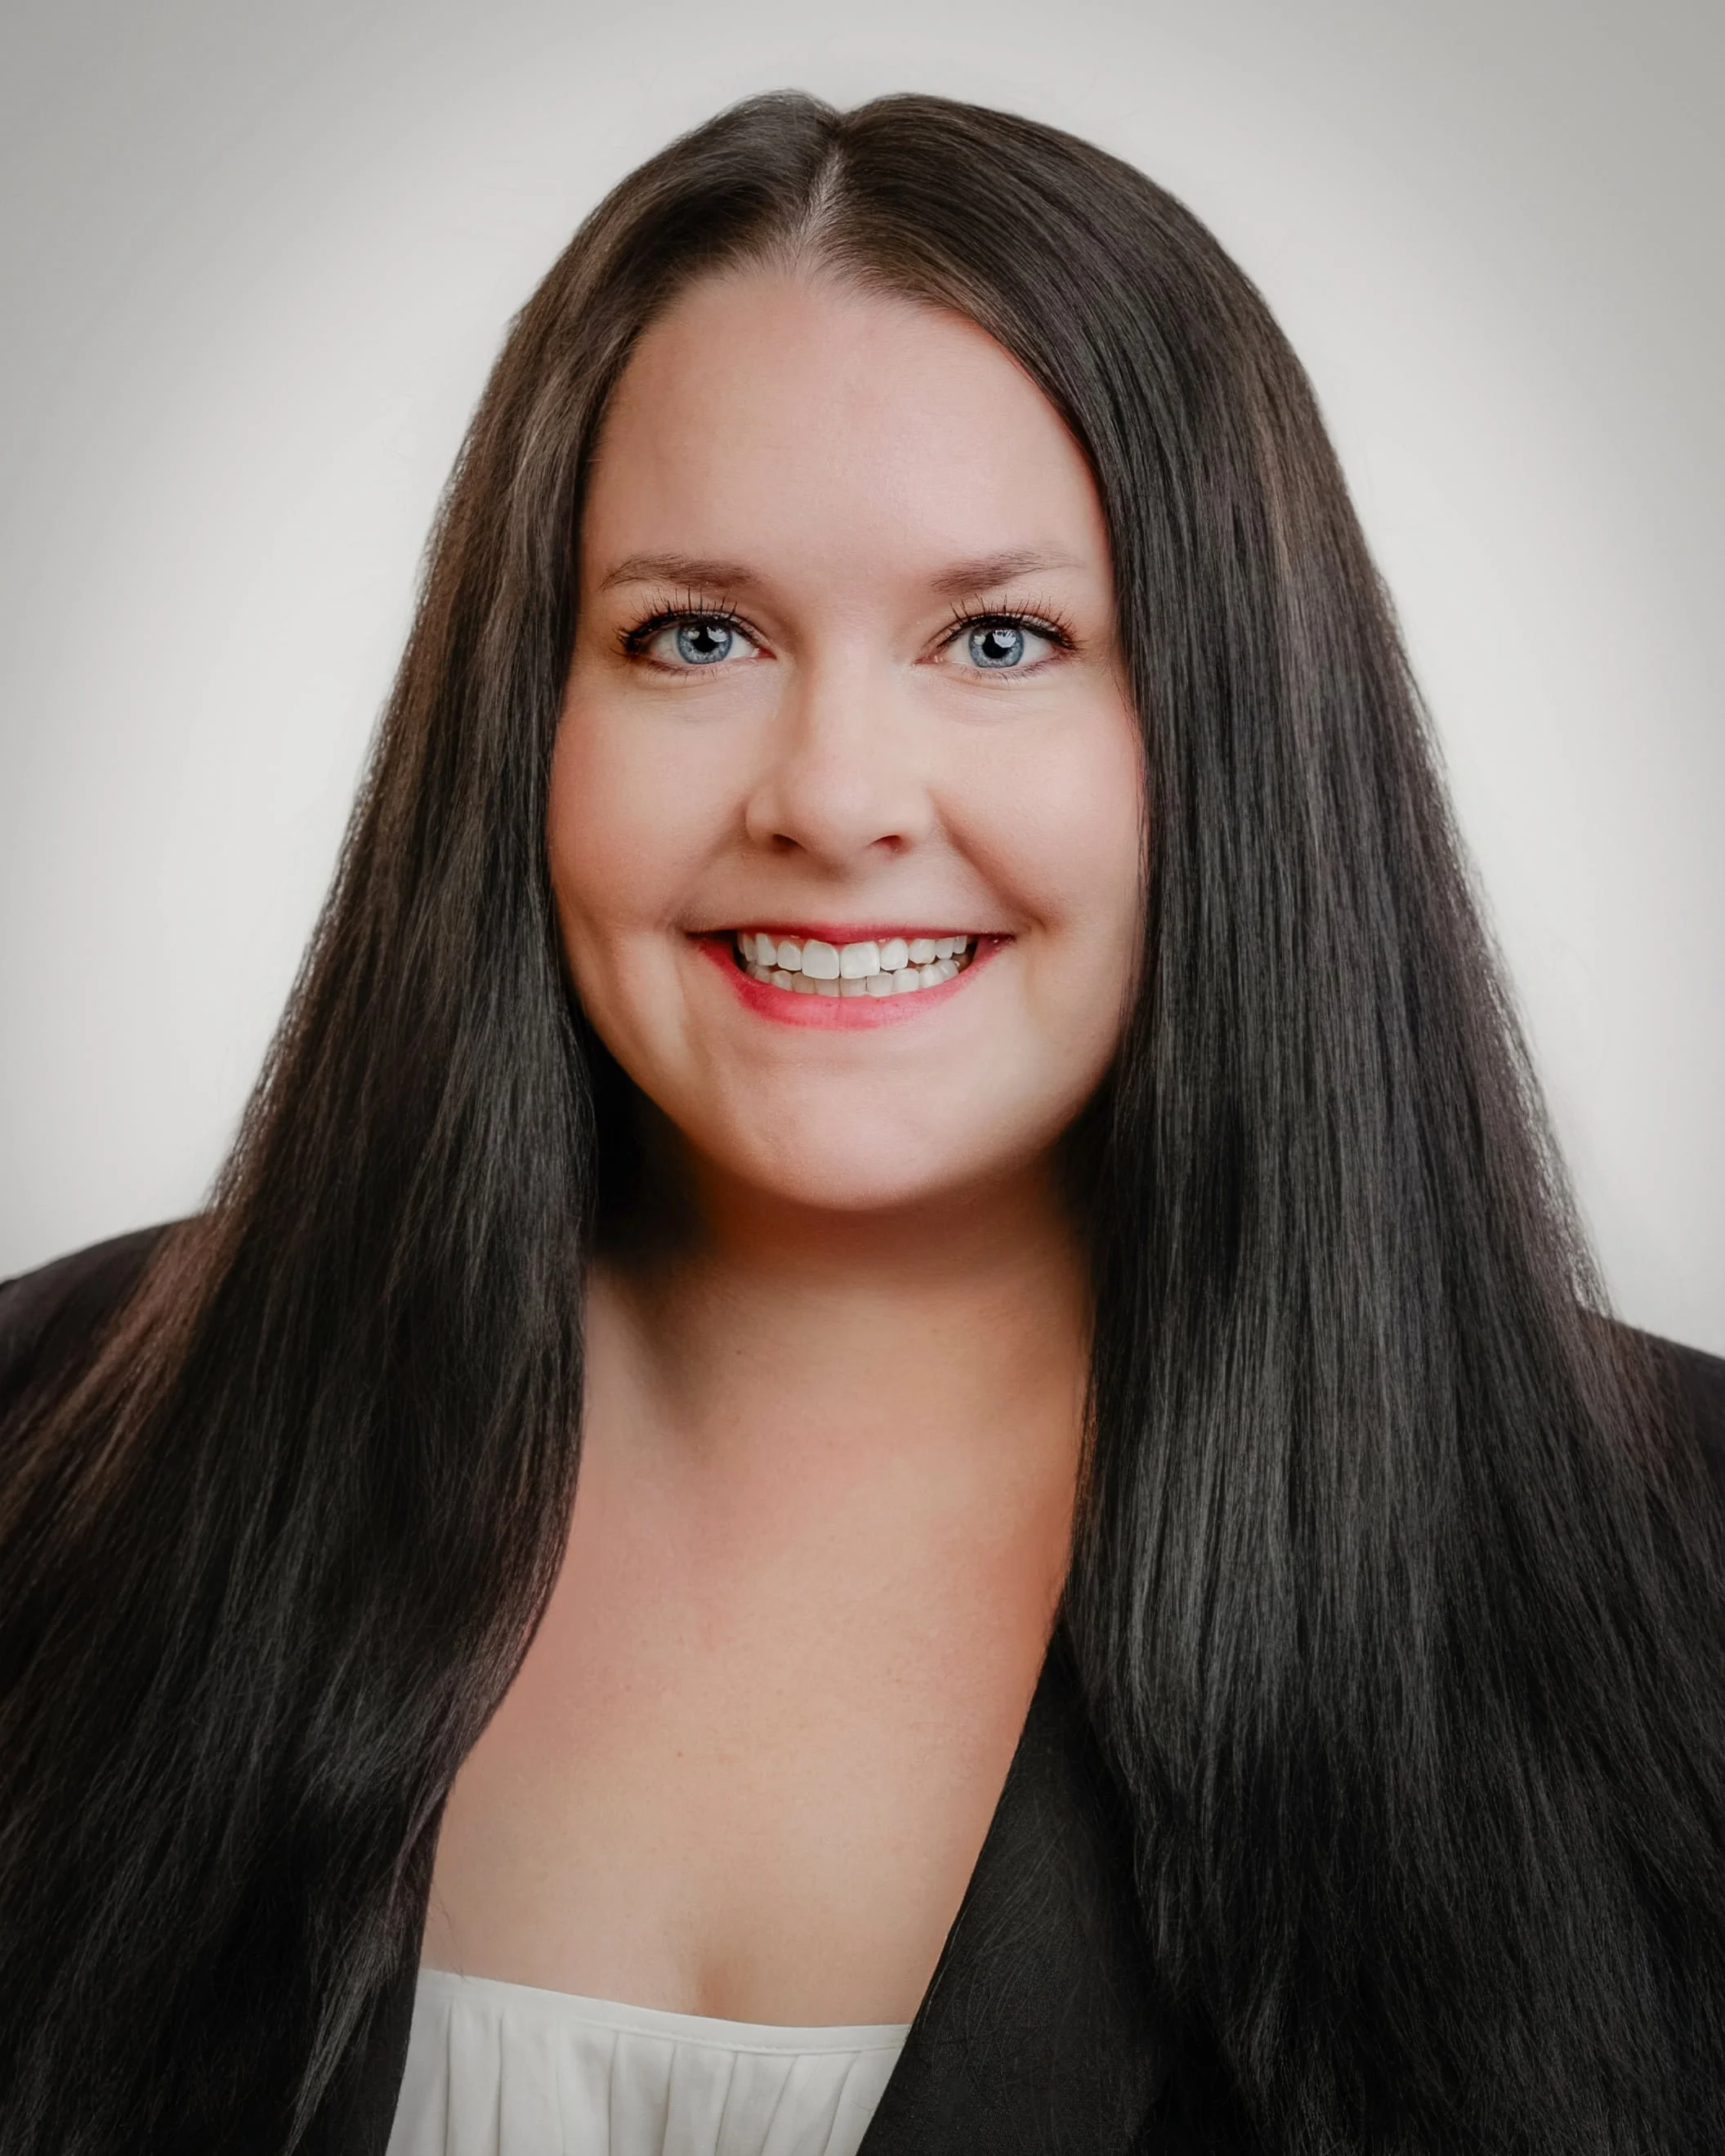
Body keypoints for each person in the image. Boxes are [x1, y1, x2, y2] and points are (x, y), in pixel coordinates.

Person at [1, 89, 1722, 2156]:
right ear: (521, 718)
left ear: (1240, 739)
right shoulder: (40, 1452)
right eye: (692, 635)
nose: (829, 796)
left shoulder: (1676, 1580)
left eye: (998, 639)